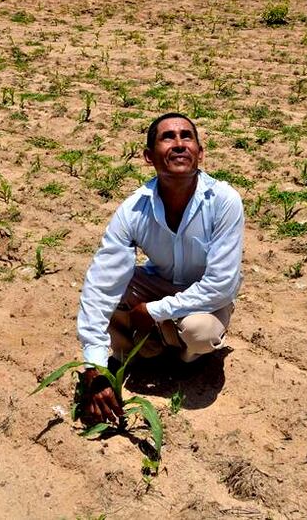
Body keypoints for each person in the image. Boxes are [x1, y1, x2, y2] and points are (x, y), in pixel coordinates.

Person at [75, 112, 245, 425]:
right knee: (110, 296)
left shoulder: (223, 201)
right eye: (168, 137)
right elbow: (102, 283)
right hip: (160, 282)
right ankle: (147, 349)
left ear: (200, 152)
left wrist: (152, 311)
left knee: (199, 331)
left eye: (187, 137)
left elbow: (221, 284)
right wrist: (95, 367)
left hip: (206, 297)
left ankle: (185, 359)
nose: (179, 144)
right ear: (149, 157)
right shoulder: (134, 209)